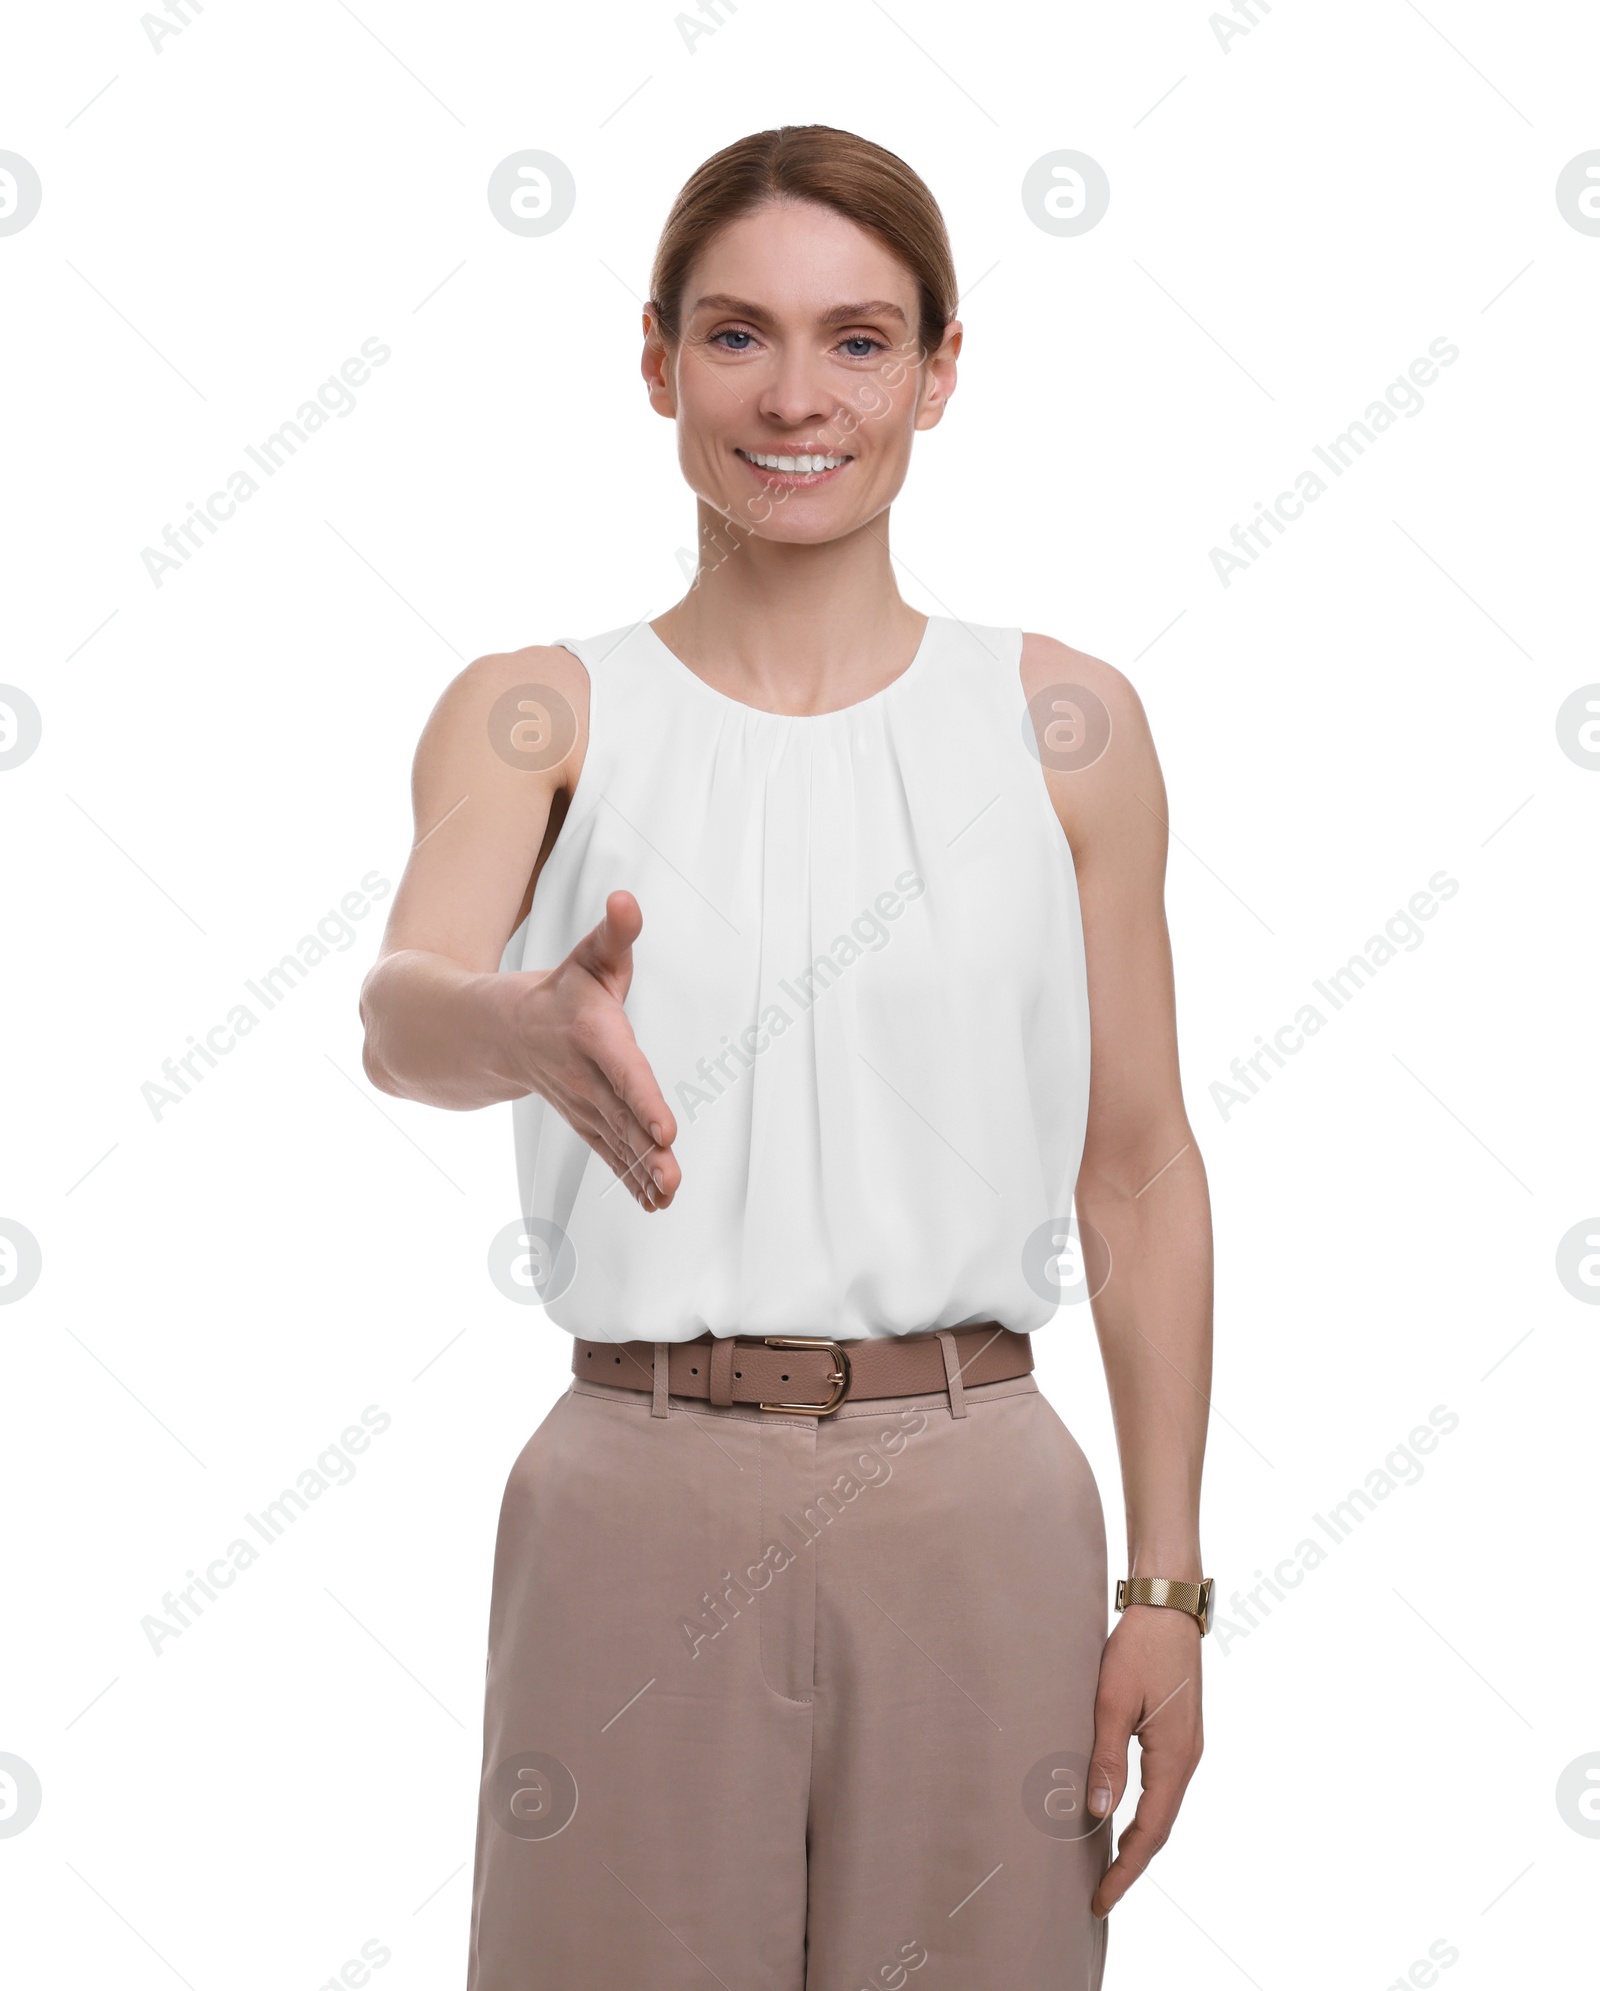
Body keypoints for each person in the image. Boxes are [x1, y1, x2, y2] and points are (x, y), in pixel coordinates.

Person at [359, 123, 1214, 1990]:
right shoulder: (542, 711)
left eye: (858, 337)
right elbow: (402, 1011)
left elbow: (1136, 1167)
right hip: (636, 1493)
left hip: (980, 1492)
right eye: (738, 337)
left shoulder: (1066, 726)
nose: (798, 395)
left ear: (939, 370)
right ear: (657, 363)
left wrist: (1164, 1589)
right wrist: (516, 1018)